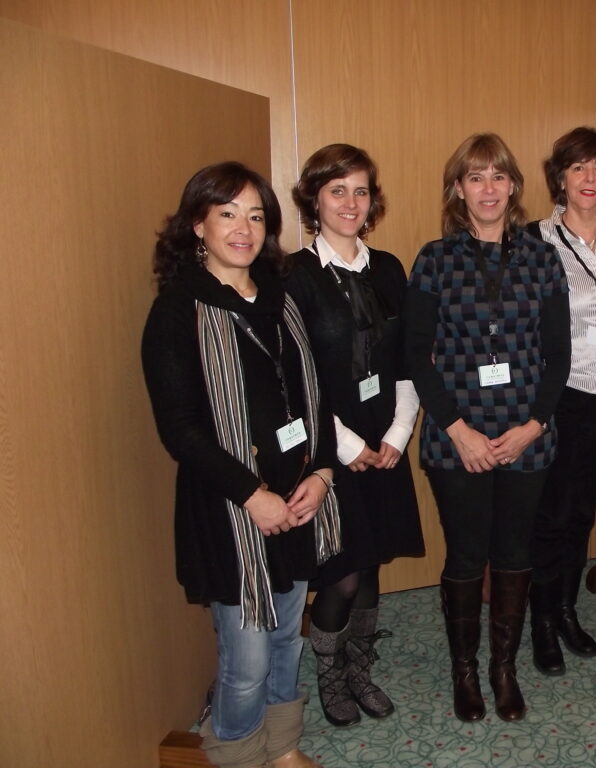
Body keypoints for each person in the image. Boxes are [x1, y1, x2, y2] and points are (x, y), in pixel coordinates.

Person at [141, 162, 341, 768]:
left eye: (256, 215)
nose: (243, 228)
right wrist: (254, 496)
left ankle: (280, 748)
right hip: (231, 508)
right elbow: (181, 431)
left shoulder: (281, 298)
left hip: (297, 495)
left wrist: (322, 474)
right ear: (197, 224)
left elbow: (316, 395)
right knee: (247, 656)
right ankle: (238, 757)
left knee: (286, 638)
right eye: (227, 213)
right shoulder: (178, 310)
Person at [404, 133, 571, 722]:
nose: (488, 188)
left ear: (514, 187)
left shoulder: (541, 257)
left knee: (515, 553)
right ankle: (465, 671)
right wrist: (458, 429)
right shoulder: (434, 259)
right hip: (459, 441)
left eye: (498, 176)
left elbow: (559, 354)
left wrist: (533, 425)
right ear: (458, 189)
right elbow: (416, 354)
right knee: (467, 555)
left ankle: (504, 668)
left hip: (526, 435)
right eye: (475, 177)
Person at [286, 144, 424, 727]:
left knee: (370, 566)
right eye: (337, 190)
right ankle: (330, 673)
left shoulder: (390, 268)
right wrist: (345, 446)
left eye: (361, 191)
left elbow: (410, 360)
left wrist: (397, 432)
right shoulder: (292, 276)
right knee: (340, 573)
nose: (350, 202)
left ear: (374, 202)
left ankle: (360, 669)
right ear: (314, 199)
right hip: (327, 448)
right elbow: (294, 377)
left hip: (385, 440)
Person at [526, 127, 596, 675]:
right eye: (578, 168)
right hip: (554, 396)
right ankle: (542, 621)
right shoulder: (534, 238)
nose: (589, 178)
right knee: (549, 515)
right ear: (561, 178)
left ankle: (566, 610)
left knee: (580, 513)